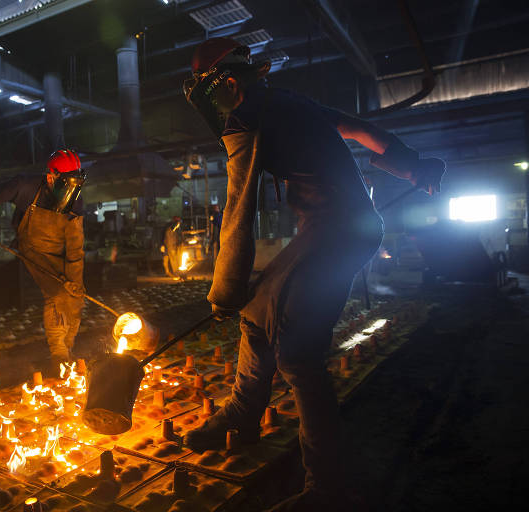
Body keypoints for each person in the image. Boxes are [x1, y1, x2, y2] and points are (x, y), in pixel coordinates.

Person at [182, 38, 445, 511]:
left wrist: (223, 290)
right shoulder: (286, 101)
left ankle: (328, 488)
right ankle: (243, 414)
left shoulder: (247, 119)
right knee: (255, 310)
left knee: (297, 353)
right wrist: (412, 164)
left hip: (340, 232)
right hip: (334, 228)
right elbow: (360, 129)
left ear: (225, 85)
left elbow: (238, 213)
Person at [0, 150, 86, 373]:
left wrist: (76, 280)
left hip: (59, 250)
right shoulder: (25, 186)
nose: (70, 191)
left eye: (74, 185)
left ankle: (68, 348)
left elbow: (75, 246)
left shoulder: (75, 202)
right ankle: (59, 354)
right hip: (32, 248)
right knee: (56, 294)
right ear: (51, 177)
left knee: (75, 298)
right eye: (65, 184)